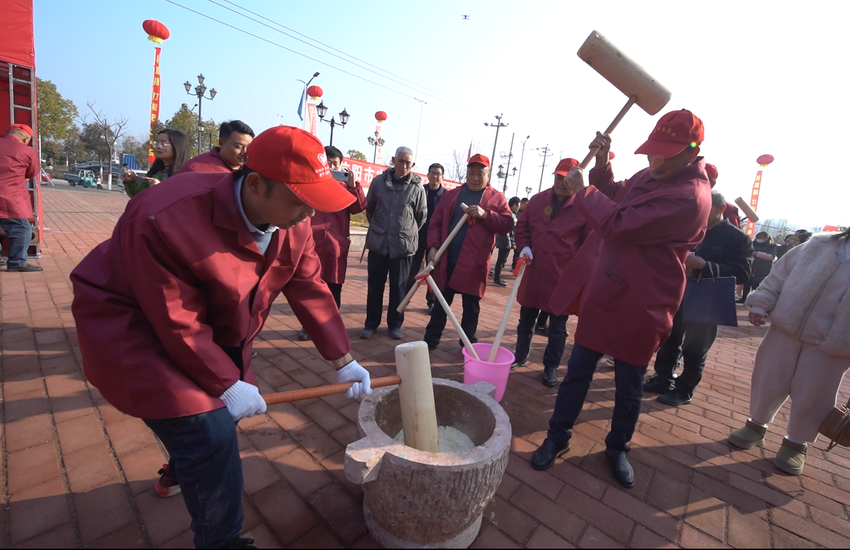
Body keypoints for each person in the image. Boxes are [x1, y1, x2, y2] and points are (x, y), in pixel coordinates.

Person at [70, 126, 372, 548]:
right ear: (255, 184)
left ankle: (182, 466)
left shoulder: (294, 223)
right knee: (211, 429)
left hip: (209, 323)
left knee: (204, 414)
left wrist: (343, 358)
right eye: (302, 201)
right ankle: (222, 539)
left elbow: (308, 285)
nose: (310, 214)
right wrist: (226, 384)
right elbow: (175, 319)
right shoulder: (166, 214)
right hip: (132, 323)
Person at [531, 110, 712, 489]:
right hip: (608, 288)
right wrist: (601, 165)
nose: (655, 160)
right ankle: (557, 435)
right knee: (577, 371)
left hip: (644, 301)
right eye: (652, 152)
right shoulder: (652, 175)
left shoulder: (689, 197)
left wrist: (582, 191)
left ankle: (618, 446)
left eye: (666, 153)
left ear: (694, 151)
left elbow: (616, 222)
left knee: (629, 383)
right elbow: (615, 198)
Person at [728, 228, 850, 476]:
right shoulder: (818, 245)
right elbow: (779, 275)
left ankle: (796, 443)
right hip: (785, 328)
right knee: (768, 379)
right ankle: (755, 426)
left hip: (832, 344)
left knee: (814, 394)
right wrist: (761, 303)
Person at [644, 190, 753, 405]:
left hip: (708, 298)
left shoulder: (737, 238)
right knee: (670, 338)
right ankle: (663, 378)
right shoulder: (691, 229)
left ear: (721, 209)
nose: (699, 211)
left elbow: (743, 272)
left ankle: (684, 390)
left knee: (696, 347)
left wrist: (705, 266)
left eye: (706, 207)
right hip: (679, 292)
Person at [513, 157, 590, 386]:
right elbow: (522, 228)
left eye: (567, 179)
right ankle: (520, 355)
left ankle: (551, 366)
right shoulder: (538, 200)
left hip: (561, 276)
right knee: (525, 320)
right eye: (558, 177)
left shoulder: (583, 206)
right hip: (534, 271)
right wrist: (524, 245)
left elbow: (588, 243)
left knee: (558, 328)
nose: (561, 183)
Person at [423, 154, 513, 350]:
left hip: (474, 263)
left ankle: (467, 343)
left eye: (480, 174)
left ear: (488, 175)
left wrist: (486, 215)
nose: (474, 178)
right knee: (440, 303)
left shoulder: (497, 198)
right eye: (471, 173)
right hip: (447, 259)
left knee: (471, 308)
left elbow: (507, 224)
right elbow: (436, 223)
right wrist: (433, 246)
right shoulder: (452, 195)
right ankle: (430, 339)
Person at [296, 145, 367, 341]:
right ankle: (308, 326)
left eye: (335, 164)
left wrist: (355, 187)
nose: (331, 167)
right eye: (327, 163)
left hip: (336, 246)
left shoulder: (345, 187)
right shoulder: (310, 184)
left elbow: (358, 208)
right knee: (311, 287)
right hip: (313, 245)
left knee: (334, 288)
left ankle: (330, 327)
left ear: (341, 165)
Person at [360, 146, 427, 340]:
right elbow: (370, 208)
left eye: (408, 163)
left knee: (399, 289)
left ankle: (395, 324)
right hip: (379, 244)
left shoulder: (417, 187)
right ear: (393, 160)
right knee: (375, 286)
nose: (404, 166)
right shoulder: (378, 183)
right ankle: (371, 323)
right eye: (401, 161)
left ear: (412, 165)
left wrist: (404, 231)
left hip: (402, 247)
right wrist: (382, 229)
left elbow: (421, 217)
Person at [0, 124, 41, 272]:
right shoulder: (26, 151)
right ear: (25, 139)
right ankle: (17, 261)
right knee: (21, 228)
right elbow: (32, 172)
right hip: (9, 195)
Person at [406, 162, 446, 312]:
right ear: (428, 175)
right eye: (433, 173)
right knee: (412, 269)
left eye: (438, 174)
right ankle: (406, 298)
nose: (435, 176)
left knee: (433, 272)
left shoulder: (447, 196)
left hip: (436, 241)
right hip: (417, 237)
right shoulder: (420, 191)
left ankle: (432, 302)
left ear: (442, 177)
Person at [123, 130, 188, 197]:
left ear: (176, 147)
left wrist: (160, 189)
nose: (158, 147)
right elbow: (138, 197)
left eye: (163, 144)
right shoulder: (155, 172)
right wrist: (131, 182)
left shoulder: (186, 175)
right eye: (157, 143)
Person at [180, 120, 255, 174]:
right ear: (221, 143)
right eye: (238, 147)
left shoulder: (251, 171)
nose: (244, 152)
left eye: (248, 147)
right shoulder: (195, 169)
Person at [739, 231, 776, 303]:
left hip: (762, 268)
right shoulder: (753, 243)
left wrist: (756, 253)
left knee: (756, 285)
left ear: (766, 238)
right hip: (751, 266)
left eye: (761, 238)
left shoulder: (771, 246)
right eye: (758, 238)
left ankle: (755, 300)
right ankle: (744, 298)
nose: (759, 239)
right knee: (747, 283)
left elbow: (770, 256)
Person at [493, 197, 520, 287]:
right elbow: (507, 230)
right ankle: (497, 278)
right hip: (505, 243)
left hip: (507, 242)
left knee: (502, 260)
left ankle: (498, 277)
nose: (519, 207)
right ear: (515, 205)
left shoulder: (513, 214)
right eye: (518, 205)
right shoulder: (510, 214)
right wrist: (508, 243)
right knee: (501, 260)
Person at [704, 163, 741, 228]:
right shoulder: (684, 199)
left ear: (712, 183)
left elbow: (733, 236)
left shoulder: (727, 209)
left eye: (700, 180)